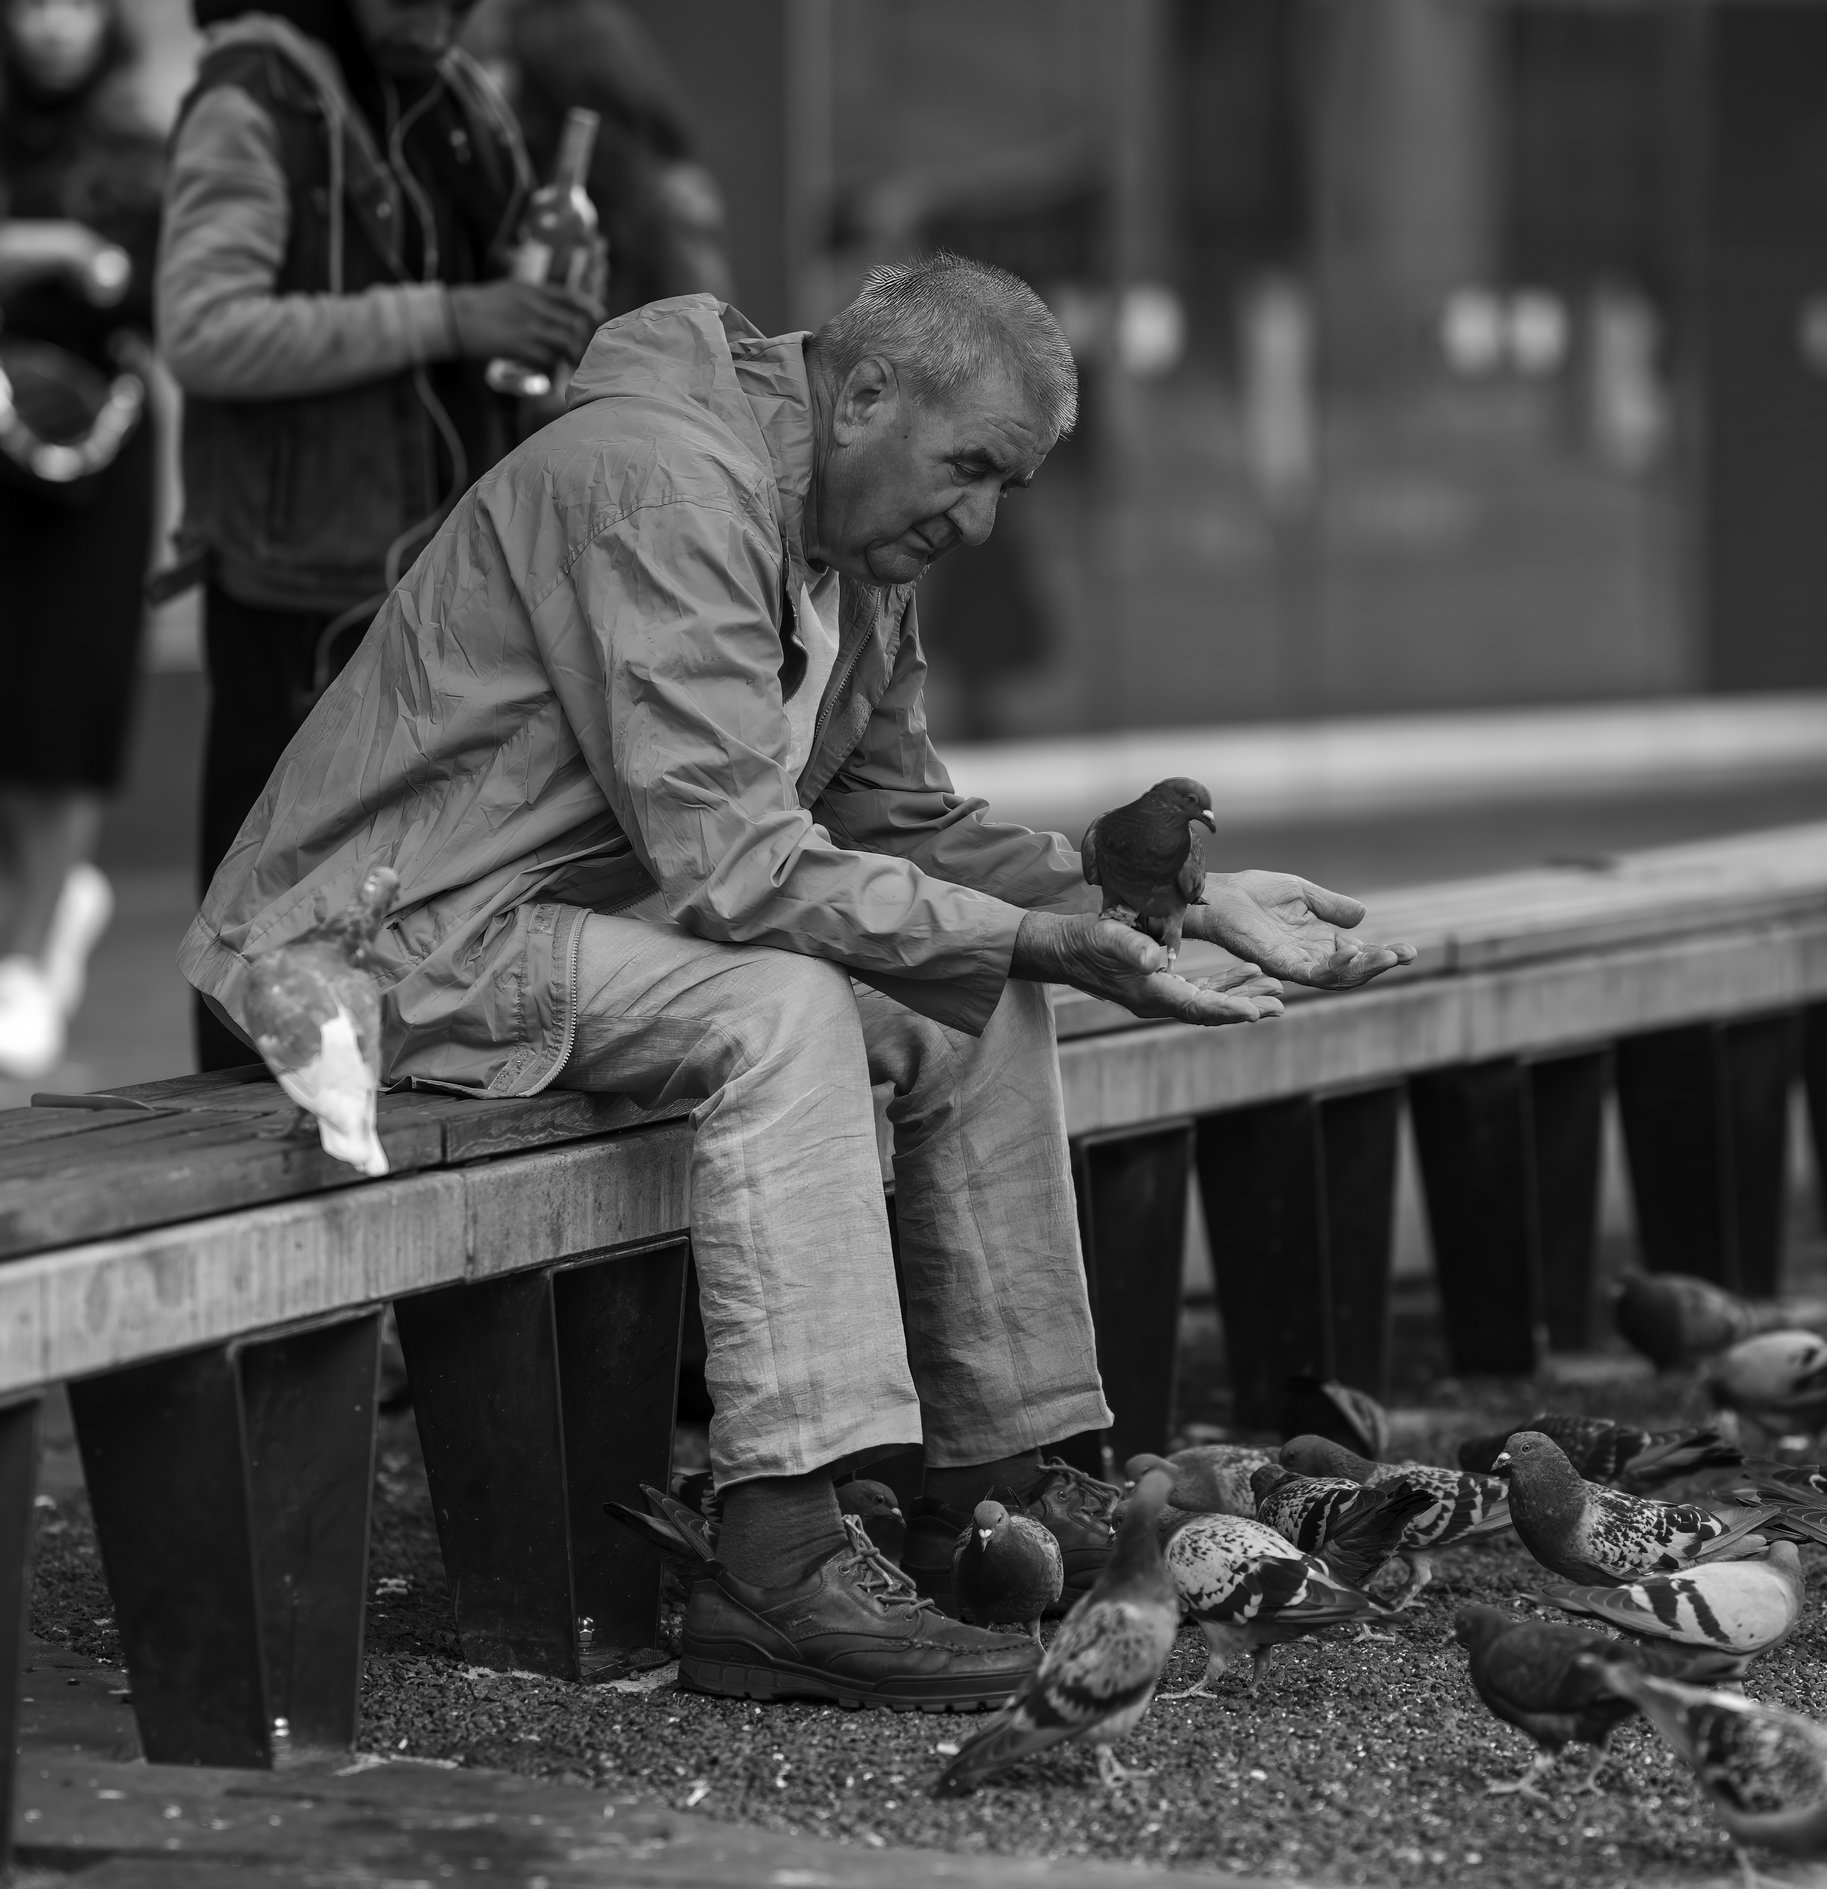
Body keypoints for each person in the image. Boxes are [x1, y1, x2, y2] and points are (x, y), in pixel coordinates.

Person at [180, 255, 1414, 1710]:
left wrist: (1164, 894)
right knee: (791, 1008)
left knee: (961, 1005)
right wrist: (1026, 931)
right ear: (866, 391)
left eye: (1008, 487)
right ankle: (776, 1558)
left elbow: (896, 822)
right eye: (969, 469)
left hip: (556, 925)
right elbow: (738, 863)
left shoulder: (838, 539)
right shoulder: (667, 487)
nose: (978, 521)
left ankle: (996, 1492)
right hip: (370, 948)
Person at [155, 0, 600, 1069]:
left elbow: (509, 307)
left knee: (418, 920)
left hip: (450, 582)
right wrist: (456, 314)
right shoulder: (253, 95)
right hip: (305, 588)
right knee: (265, 944)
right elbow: (205, 331)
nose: (443, 13)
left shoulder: (459, 97)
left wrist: (552, 305)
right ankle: (246, 1182)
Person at [0, 0, 160, 1077]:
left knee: (69, 698)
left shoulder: (141, 149)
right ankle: (36, 910)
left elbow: (154, 294)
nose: (53, 25)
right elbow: (95, 272)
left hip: (96, 458)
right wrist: (57, 245)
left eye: (76, 3)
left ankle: (31, 940)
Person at [464, 0, 732, 317]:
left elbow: (705, 344)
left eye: (502, 59)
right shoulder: (514, 192)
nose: (486, 78)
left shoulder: (669, 204)